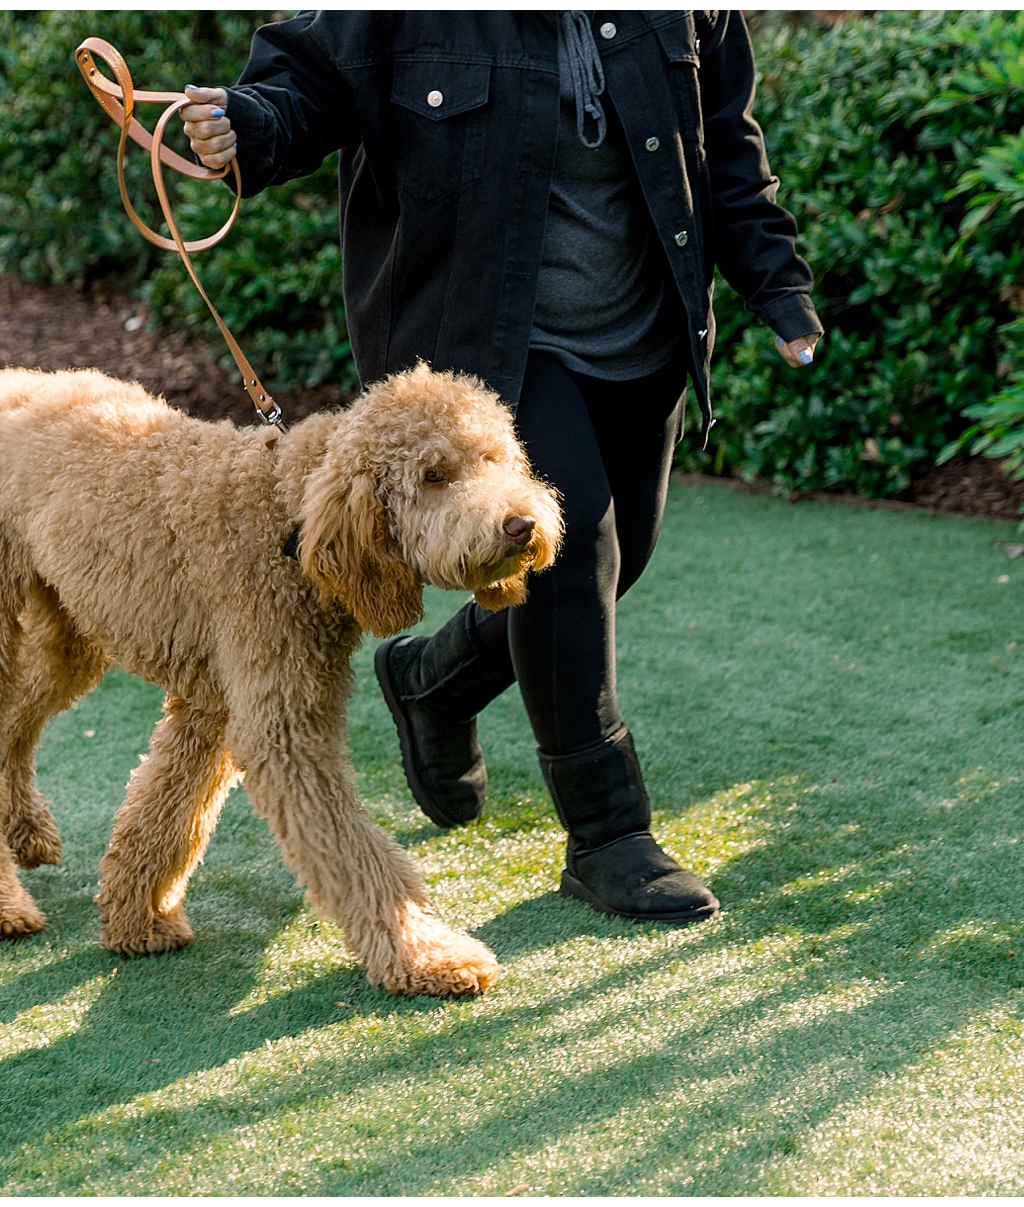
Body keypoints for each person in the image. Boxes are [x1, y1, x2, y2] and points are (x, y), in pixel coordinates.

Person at [181, 11, 821, 923]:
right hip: (490, 335)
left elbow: (723, 137)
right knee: (569, 552)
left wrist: (775, 280)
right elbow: (313, 82)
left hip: (642, 333)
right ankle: (609, 836)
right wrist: (243, 126)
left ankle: (433, 682)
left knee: (615, 559)